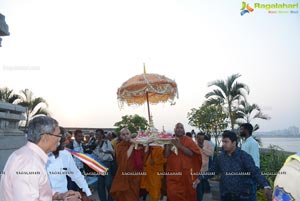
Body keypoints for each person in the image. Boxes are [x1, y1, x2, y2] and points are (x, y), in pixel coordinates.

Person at [0, 116, 81, 201]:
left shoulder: (28, 155)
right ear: (46, 138)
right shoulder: (29, 164)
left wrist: (60, 195)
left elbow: (40, 191)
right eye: (58, 135)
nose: (59, 140)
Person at [193, 130, 272, 201]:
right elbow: (213, 170)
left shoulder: (244, 157)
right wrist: (200, 178)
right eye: (223, 141)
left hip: (243, 196)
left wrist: (266, 185)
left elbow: (255, 171)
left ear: (234, 143)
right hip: (226, 195)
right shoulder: (221, 157)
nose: (223, 144)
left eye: (226, 142)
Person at [46, 127, 92, 200]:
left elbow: (76, 174)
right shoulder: (41, 155)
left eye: (65, 137)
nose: (66, 140)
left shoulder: (66, 154)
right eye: (62, 137)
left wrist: (87, 192)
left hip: (64, 197)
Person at [164, 123, 202, 201]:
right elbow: (166, 155)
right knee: (172, 193)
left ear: (184, 130)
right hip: (173, 173)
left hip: (186, 173)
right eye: (177, 127)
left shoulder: (188, 140)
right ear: (174, 130)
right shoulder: (170, 140)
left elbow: (192, 153)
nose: (179, 129)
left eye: (181, 127)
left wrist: (179, 145)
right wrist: (168, 143)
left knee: (188, 194)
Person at [110, 128, 144, 201]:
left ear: (130, 135)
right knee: (124, 196)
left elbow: (143, 155)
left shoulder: (137, 144)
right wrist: (132, 145)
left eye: (127, 134)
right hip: (124, 174)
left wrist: (136, 143)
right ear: (120, 136)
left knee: (134, 196)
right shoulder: (119, 146)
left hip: (135, 175)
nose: (126, 136)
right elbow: (125, 157)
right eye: (123, 134)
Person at [92, 129, 114, 201]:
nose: (97, 136)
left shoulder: (106, 142)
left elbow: (112, 151)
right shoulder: (95, 143)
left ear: (102, 135)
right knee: (100, 185)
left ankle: (110, 199)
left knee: (108, 184)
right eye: (96, 134)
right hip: (98, 164)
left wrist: (104, 151)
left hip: (106, 163)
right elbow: (94, 153)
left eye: (98, 134)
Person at [196, 132, 213, 201]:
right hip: (196, 171)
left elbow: (211, 153)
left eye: (202, 139)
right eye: (199, 138)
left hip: (205, 170)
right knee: (198, 189)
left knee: (203, 188)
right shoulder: (194, 144)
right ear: (196, 138)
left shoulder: (208, 143)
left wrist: (203, 148)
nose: (200, 140)